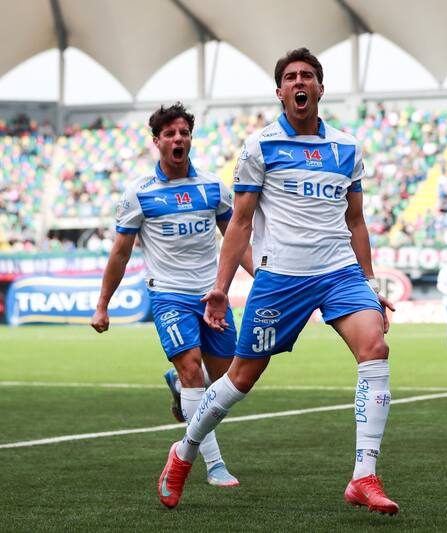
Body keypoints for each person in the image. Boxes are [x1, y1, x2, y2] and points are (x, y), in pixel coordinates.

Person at [156, 48, 399, 515]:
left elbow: (356, 221)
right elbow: (240, 224)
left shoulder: (346, 148)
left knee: (376, 349)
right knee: (240, 378)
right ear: (280, 92)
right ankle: (184, 452)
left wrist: (368, 280)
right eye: (290, 77)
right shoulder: (259, 146)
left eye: (307, 75)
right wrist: (221, 287)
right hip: (281, 277)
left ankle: (364, 475)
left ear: (320, 89)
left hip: (338, 272)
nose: (299, 82)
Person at [91, 103, 252, 488]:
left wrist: (262, 277)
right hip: (169, 297)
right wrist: (102, 305)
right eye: (170, 134)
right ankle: (214, 465)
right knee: (193, 370)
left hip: (212, 297)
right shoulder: (140, 194)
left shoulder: (213, 187)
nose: (178, 139)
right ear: (157, 141)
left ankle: (179, 388)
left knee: (229, 379)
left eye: (184, 133)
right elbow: (120, 253)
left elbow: (237, 238)